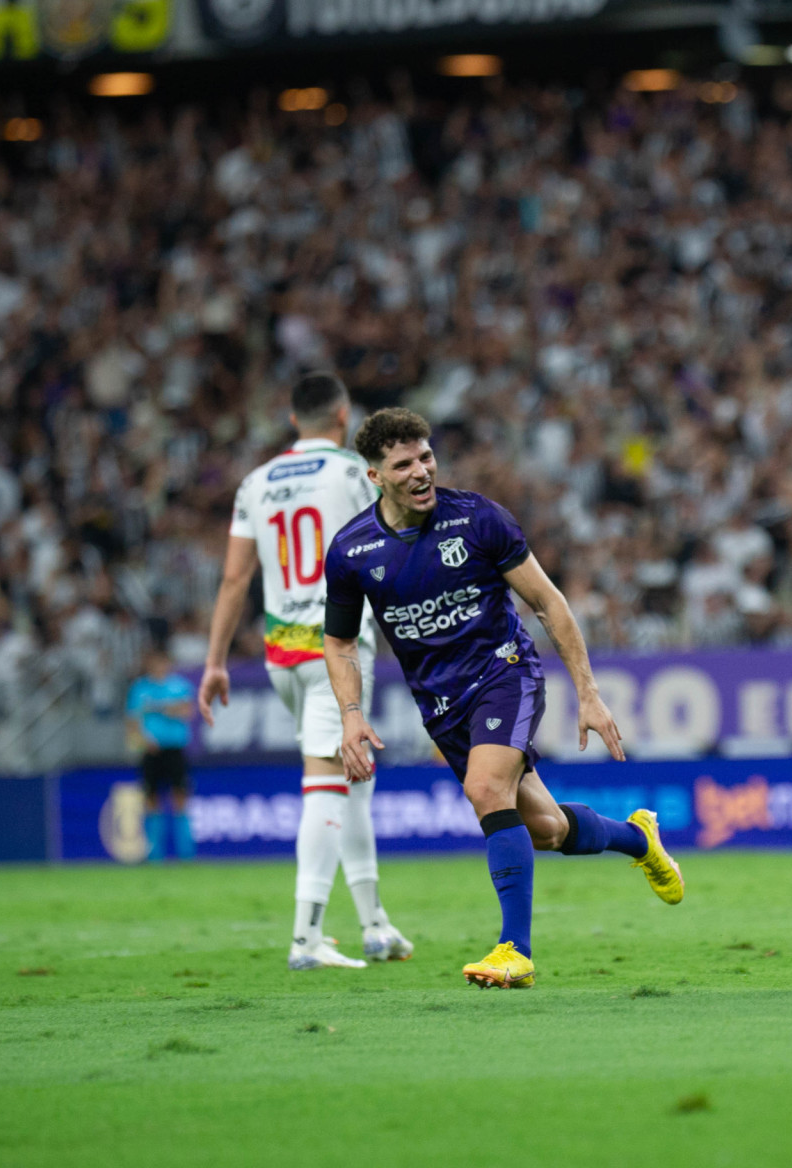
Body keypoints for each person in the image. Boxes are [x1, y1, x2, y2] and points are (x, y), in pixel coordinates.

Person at [320, 407, 684, 990]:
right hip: (441, 706)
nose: (421, 471)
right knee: (546, 830)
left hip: (504, 674)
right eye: (403, 463)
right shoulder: (351, 550)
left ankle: (515, 950)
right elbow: (338, 640)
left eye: (426, 457)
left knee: (485, 789)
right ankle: (639, 839)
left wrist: (589, 695)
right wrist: (351, 716)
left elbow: (548, 602)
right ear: (375, 477)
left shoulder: (478, 519)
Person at [199, 371, 412, 971]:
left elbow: (236, 578)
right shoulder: (354, 472)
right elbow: (394, 546)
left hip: (279, 653)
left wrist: (215, 661)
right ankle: (305, 938)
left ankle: (374, 926)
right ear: (343, 416)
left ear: (294, 420)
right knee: (327, 783)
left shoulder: (255, 483)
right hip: (337, 649)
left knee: (354, 784)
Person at [126, 646, 197, 862]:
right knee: (152, 799)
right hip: (151, 751)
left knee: (180, 797)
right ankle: (154, 854)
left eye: (162, 662)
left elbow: (187, 711)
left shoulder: (180, 686)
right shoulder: (139, 688)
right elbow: (132, 722)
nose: (158, 667)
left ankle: (186, 854)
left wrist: (161, 708)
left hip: (174, 749)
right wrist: (143, 741)